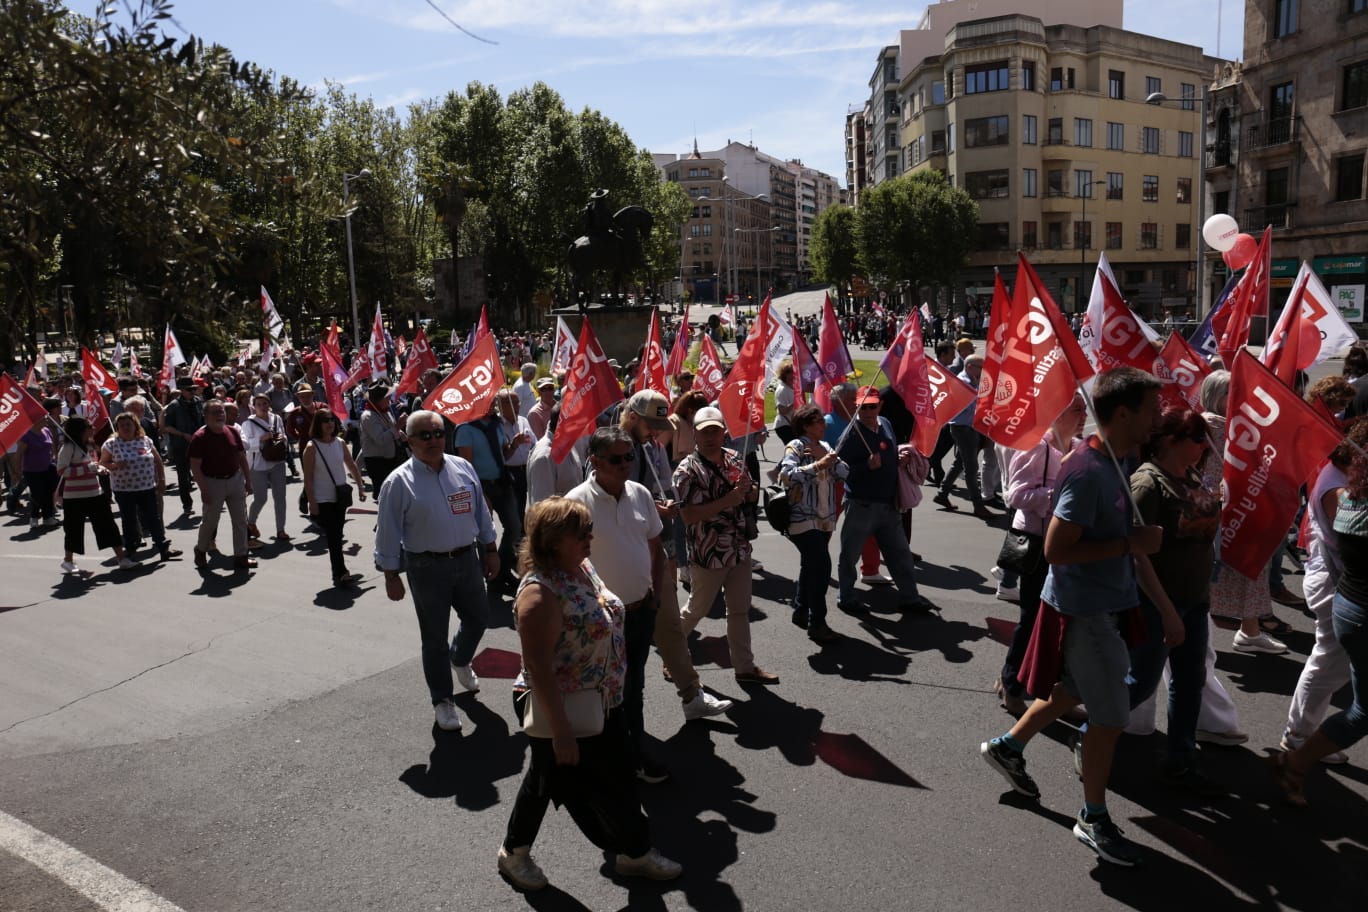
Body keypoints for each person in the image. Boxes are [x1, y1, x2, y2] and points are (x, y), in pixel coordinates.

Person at [980, 366, 1176, 867]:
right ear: (1123, 413)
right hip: (1083, 612)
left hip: (1104, 605)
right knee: (1110, 718)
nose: (1160, 416)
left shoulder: (1119, 457)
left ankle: (1008, 746)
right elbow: (1056, 549)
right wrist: (1132, 542)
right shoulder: (1088, 471)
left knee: (1071, 691)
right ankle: (1092, 816)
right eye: (1152, 409)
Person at [498, 497, 682, 891]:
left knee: (613, 775)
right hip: (561, 706)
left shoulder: (581, 567)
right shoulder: (538, 594)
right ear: (551, 540)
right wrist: (562, 732)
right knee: (551, 780)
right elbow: (539, 669)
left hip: (602, 698)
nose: (590, 538)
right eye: (579, 533)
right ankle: (514, 854)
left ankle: (633, 852)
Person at [375, 410, 498, 732]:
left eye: (439, 433)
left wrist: (490, 548)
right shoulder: (398, 482)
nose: (434, 440)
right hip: (426, 566)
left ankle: (461, 659)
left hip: (467, 559)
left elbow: (481, 512)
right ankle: (442, 701)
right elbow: (387, 532)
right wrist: (391, 574)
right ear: (410, 440)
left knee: (479, 617)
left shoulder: (462, 468)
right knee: (434, 640)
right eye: (425, 435)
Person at [1122, 407, 1223, 794]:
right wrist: (1167, 612)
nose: (1204, 446)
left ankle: (1180, 760)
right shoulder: (1147, 484)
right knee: (1141, 683)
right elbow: (1136, 554)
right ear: (1168, 442)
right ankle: (1089, 733)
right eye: (1197, 438)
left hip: (1194, 599)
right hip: (1158, 603)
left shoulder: (1191, 474)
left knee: (1189, 681)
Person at [1274, 436, 1368, 805]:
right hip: (1340, 590)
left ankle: (1305, 741)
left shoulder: (1348, 491)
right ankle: (1298, 742)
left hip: (1344, 593)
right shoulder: (1342, 493)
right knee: (1328, 665)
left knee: (1335, 669)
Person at [674, 406, 779, 685]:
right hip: (708, 554)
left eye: (715, 430)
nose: (710, 436)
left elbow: (750, 494)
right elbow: (688, 515)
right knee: (696, 609)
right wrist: (729, 500)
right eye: (704, 431)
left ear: (724, 433)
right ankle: (673, 658)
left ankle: (745, 666)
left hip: (738, 549)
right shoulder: (687, 469)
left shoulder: (735, 459)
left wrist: (749, 490)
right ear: (694, 433)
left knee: (739, 610)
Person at [834, 386, 935, 613]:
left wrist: (896, 458)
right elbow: (838, 470)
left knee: (900, 554)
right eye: (863, 407)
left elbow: (887, 451)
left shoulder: (885, 424)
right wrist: (865, 466)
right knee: (849, 555)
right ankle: (846, 597)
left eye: (872, 406)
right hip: (861, 504)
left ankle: (910, 598)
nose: (867, 411)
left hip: (889, 505)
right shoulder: (851, 434)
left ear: (880, 406)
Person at [779, 404, 848, 645]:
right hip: (802, 518)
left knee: (810, 564)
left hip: (824, 518)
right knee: (821, 567)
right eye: (818, 421)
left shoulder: (826, 447)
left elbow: (844, 472)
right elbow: (786, 475)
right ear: (806, 425)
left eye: (822, 421)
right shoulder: (796, 446)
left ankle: (800, 610)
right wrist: (817, 465)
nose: (823, 424)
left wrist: (824, 458)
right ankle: (817, 622)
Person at [55, 416, 138, 575]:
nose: (92, 428)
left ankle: (122, 558)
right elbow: (61, 471)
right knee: (73, 529)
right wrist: (87, 469)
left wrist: (100, 469)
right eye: (88, 426)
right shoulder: (67, 448)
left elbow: (94, 466)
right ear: (79, 430)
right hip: (74, 497)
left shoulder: (90, 446)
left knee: (108, 526)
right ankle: (68, 560)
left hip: (95, 492)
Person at [455, 397, 523, 589]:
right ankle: (491, 576)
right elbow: (465, 467)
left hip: (502, 482)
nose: (493, 407)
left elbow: (504, 455)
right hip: (482, 486)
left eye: (493, 403)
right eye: (489, 403)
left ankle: (501, 569)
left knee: (515, 526)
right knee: (485, 532)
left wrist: (514, 445)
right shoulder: (465, 429)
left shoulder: (497, 425)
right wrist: (478, 493)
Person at [100, 412, 180, 562]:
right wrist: (115, 465)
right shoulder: (111, 444)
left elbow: (158, 461)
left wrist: (161, 480)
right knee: (129, 519)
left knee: (153, 518)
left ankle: (163, 547)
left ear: (135, 425)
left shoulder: (145, 440)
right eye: (121, 425)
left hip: (147, 487)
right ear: (117, 427)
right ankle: (130, 548)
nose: (125, 427)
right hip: (124, 490)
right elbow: (102, 463)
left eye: (128, 424)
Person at [302, 406, 368, 587]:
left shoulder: (339, 442)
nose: (330, 423)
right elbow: (307, 478)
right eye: (326, 421)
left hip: (340, 497)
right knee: (334, 536)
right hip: (323, 499)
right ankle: (340, 573)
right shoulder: (311, 447)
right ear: (318, 424)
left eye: (332, 420)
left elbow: (352, 465)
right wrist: (312, 502)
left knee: (336, 535)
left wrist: (361, 486)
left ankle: (339, 572)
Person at [188, 400, 256, 572]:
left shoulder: (233, 431)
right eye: (215, 412)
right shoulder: (199, 437)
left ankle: (241, 556)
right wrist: (204, 490)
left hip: (235, 480)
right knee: (210, 521)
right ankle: (201, 549)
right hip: (212, 483)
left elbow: (242, 458)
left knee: (240, 520)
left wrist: (248, 481)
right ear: (206, 416)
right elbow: (195, 466)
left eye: (221, 412)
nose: (220, 415)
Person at [934, 355, 993, 519]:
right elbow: (972, 407)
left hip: (966, 427)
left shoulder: (970, 381)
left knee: (960, 462)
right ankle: (978, 505)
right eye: (981, 367)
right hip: (964, 428)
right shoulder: (964, 384)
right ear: (970, 367)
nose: (983, 371)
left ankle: (942, 493)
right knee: (971, 469)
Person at [241, 392, 290, 542]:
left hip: (277, 462)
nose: (262, 407)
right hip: (258, 465)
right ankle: (251, 522)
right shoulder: (248, 423)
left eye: (265, 403)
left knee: (280, 497)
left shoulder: (277, 418)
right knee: (261, 498)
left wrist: (283, 438)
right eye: (259, 404)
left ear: (269, 404)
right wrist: (261, 439)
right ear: (254, 406)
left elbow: (284, 437)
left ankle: (280, 529)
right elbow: (247, 445)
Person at [161, 377, 205, 514]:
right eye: (189, 389)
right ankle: (187, 505)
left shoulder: (198, 402)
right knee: (183, 476)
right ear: (181, 390)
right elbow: (167, 427)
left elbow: (203, 420)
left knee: (205, 474)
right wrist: (183, 434)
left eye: (193, 389)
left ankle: (208, 501)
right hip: (181, 445)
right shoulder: (174, 406)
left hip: (199, 443)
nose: (192, 391)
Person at [18, 399, 62, 529]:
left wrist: (54, 456)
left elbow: (51, 446)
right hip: (31, 469)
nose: (47, 419)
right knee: (37, 493)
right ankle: (34, 516)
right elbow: (19, 453)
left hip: (47, 467)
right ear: (37, 419)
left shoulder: (46, 430)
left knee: (49, 491)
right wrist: (18, 470)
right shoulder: (27, 435)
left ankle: (48, 517)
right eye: (44, 417)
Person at [359, 384, 406, 498]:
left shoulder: (385, 412)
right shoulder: (369, 416)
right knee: (384, 494)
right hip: (378, 461)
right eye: (386, 397)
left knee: (394, 493)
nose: (389, 400)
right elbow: (381, 439)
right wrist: (398, 427)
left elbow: (391, 430)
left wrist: (400, 434)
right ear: (379, 400)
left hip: (390, 459)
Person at [772, 359, 797, 445]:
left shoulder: (792, 386)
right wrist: (794, 403)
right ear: (783, 375)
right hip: (784, 425)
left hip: (792, 424)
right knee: (794, 450)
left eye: (793, 372)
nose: (791, 375)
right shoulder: (782, 389)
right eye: (788, 373)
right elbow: (782, 411)